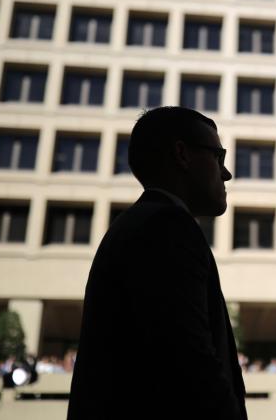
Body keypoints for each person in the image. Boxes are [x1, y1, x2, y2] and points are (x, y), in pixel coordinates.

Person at [67, 107, 246, 420]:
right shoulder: (167, 229)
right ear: (182, 154)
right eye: (218, 157)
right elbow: (189, 365)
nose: (226, 172)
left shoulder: (140, 225)